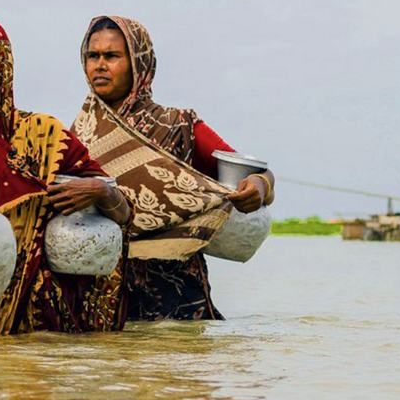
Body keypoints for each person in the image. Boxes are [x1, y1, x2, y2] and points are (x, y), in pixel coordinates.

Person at [0, 17, 131, 335]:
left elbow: (123, 215)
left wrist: (100, 192)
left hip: (47, 334)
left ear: (1, 65)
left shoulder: (47, 135)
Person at [72, 16, 275, 321]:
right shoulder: (75, 136)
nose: (100, 65)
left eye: (112, 56)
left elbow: (252, 173)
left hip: (176, 293)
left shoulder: (178, 126)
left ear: (140, 63)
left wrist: (259, 187)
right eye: (93, 56)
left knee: (178, 360)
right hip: (103, 293)